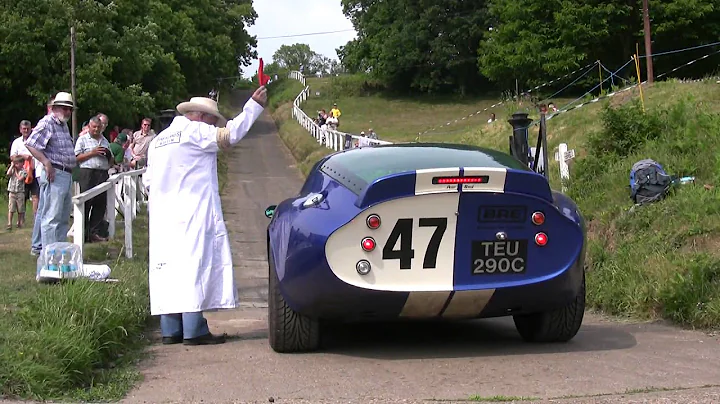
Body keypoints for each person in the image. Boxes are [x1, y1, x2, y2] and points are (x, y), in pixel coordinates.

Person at [142, 86, 268, 346]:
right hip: (192, 209)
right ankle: (194, 329)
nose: (213, 125)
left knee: (168, 268)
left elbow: (147, 180)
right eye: (212, 120)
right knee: (193, 266)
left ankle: (170, 328)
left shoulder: (158, 141)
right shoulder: (195, 131)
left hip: (163, 214)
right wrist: (253, 106)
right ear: (200, 116)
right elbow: (230, 135)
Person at [24, 92, 77, 257]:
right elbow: (31, 144)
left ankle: (59, 255)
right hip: (55, 174)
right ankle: (49, 257)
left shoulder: (62, 124)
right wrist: (46, 162)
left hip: (65, 174)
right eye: (64, 108)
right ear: (54, 108)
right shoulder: (47, 122)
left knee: (62, 218)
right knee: (51, 217)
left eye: (70, 109)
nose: (67, 112)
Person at [74, 116, 111, 242]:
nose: (96, 129)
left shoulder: (105, 140)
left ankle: (94, 232)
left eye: (98, 127)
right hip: (87, 173)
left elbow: (112, 162)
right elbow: (76, 158)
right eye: (94, 127)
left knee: (100, 204)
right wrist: (93, 153)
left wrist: (108, 155)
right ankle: (82, 233)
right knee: (86, 203)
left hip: (102, 173)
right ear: (89, 127)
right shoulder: (82, 139)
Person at [6, 155, 28, 230]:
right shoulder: (12, 169)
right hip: (12, 192)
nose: (16, 165)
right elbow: (8, 174)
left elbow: (20, 178)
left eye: (18, 163)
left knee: (20, 209)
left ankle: (19, 222)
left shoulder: (24, 171)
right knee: (11, 208)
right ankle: (9, 223)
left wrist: (15, 171)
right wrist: (12, 167)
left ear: (22, 163)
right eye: (15, 163)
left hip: (20, 192)